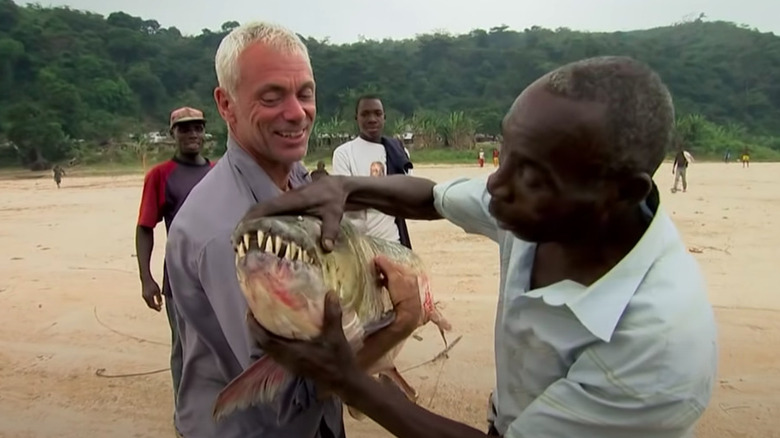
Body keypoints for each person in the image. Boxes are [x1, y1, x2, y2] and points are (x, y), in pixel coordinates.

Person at [241, 56, 718, 438]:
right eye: (506, 155)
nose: (496, 185)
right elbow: (431, 197)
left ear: (621, 194)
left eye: (531, 174)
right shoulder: (542, 205)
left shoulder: (658, 347)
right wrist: (345, 187)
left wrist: (347, 379)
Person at [163, 21, 417, 438]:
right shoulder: (229, 233)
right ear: (226, 105)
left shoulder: (301, 184)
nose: (298, 113)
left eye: (305, 93)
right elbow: (286, 390)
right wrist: (398, 325)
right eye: (272, 96)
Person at [134, 106, 213, 430]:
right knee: (184, 349)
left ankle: (217, 412)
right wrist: (146, 279)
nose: (192, 134)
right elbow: (144, 227)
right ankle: (186, 419)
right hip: (179, 279)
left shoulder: (218, 172)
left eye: (197, 128)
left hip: (217, 277)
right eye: (184, 129)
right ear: (173, 134)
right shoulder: (160, 175)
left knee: (220, 346)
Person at [331, 95, 414, 248]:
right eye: (365, 114)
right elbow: (346, 199)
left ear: (384, 117)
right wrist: (386, 194)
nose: (372, 119)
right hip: (358, 245)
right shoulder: (344, 153)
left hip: (393, 243)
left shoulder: (399, 153)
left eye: (377, 113)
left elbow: (405, 197)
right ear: (356, 118)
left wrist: (365, 193)